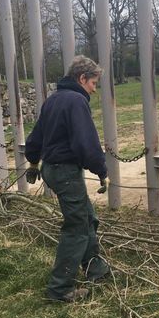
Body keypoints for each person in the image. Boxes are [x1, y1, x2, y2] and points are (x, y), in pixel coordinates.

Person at [24, 55, 110, 303]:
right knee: (76, 229)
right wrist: (102, 171)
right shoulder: (76, 102)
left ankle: (96, 268)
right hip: (65, 172)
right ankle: (59, 289)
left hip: (51, 169)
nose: (94, 89)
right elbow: (86, 143)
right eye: (93, 83)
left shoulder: (54, 100)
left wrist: (32, 162)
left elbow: (36, 136)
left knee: (87, 217)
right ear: (82, 78)